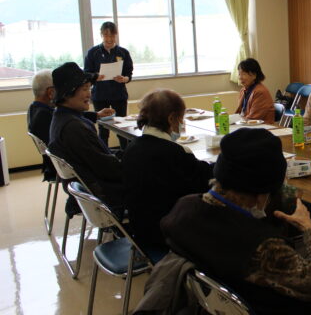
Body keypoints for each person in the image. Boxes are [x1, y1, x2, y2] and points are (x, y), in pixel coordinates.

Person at [161, 129, 311, 315]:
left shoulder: (183, 207)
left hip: (214, 296)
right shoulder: (264, 247)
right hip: (266, 311)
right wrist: (308, 228)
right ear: (261, 195)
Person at [122, 89, 213, 251]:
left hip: (141, 232)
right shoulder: (174, 153)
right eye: (181, 118)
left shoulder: (131, 148)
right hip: (170, 235)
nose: (181, 123)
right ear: (171, 118)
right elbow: (205, 183)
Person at [48, 62, 125, 210]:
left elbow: (99, 157)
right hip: (108, 193)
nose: (89, 94)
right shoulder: (74, 128)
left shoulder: (62, 118)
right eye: (84, 89)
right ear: (67, 93)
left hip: (95, 185)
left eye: (89, 88)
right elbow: (108, 169)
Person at [84, 21, 133, 149]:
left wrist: (124, 79)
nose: (109, 39)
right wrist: (96, 76)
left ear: (116, 35)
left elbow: (129, 73)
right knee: (103, 129)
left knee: (122, 127)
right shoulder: (92, 52)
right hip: (100, 95)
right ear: (101, 35)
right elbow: (86, 73)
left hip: (119, 95)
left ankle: (125, 153)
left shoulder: (123, 52)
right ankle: (104, 154)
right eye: (106, 35)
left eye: (112, 35)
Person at [27, 70, 57, 182]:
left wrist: (95, 115)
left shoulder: (34, 108)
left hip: (51, 165)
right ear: (50, 92)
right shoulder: (45, 115)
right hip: (58, 167)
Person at [234, 58, 275, 124]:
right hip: (247, 124)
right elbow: (239, 114)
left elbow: (253, 119)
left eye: (244, 74)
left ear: (254, 75)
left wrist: (236, 122)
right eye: (239, 74)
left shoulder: (260, 92)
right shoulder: (243, 90)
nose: (240, 77)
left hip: (262, 127)